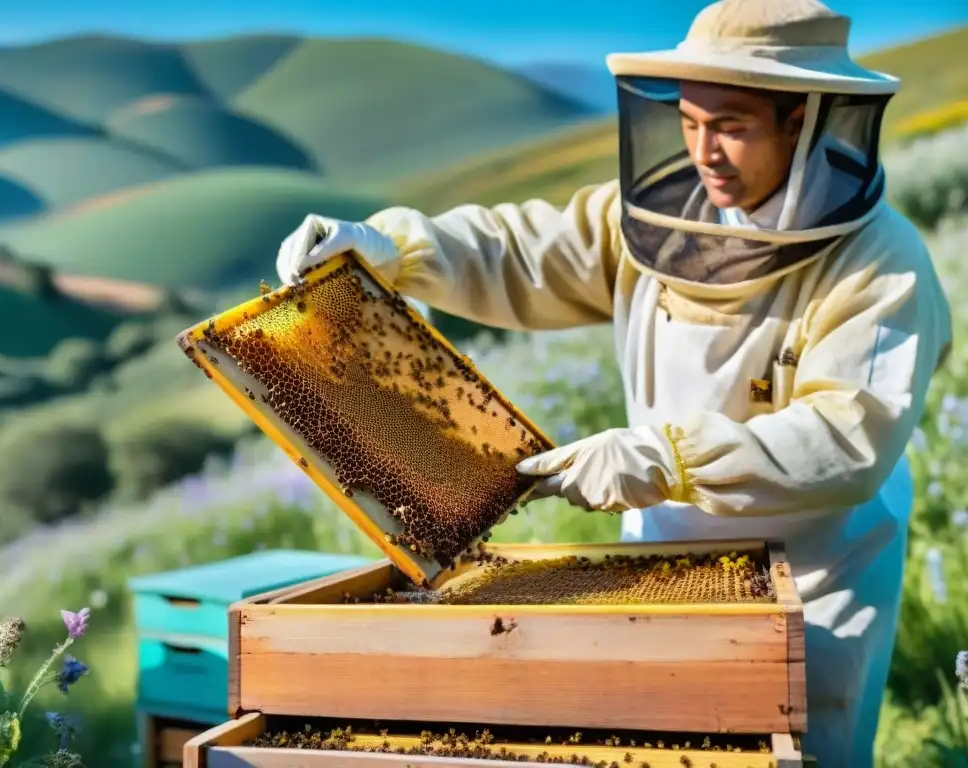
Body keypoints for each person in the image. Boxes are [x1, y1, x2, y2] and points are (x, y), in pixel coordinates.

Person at [275, 0, 952, 764]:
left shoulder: (881, 265)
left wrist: (665, 457)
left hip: (814, 572)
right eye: (691, 123)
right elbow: (519, 252)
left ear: (802, 120)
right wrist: (393, 249)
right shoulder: (658, 218)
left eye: (731, 125)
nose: (705, 152)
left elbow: (847, 439)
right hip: (662, 555)